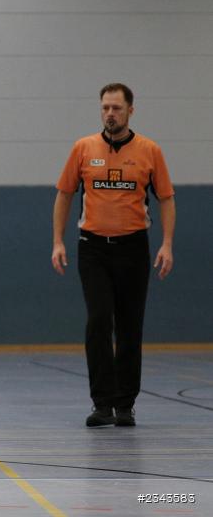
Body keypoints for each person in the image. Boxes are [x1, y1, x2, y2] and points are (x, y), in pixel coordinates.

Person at [52, 83, 175, 428]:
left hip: (134, 248)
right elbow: (63, 195)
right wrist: (57, 241)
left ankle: (125, 404)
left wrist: (167, 244)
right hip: (92, 248)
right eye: (105, 107)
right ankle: (102, 403)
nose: (110, 114)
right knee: (99, 319)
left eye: (117, 108)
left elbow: (166, 198)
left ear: (130, 111)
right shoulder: (83, 148)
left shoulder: (149, 151)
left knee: (129, 325)